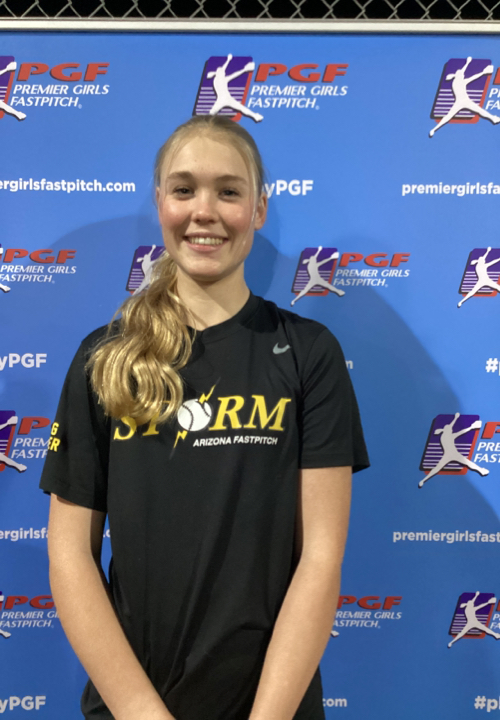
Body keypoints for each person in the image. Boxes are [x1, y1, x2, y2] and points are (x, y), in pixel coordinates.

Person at [40, 115, 369, 720]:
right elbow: (69, 558)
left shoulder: (308, 353)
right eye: (185, 189)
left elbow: (321, 559)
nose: (204, 211)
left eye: (229, 191)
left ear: (259, 208)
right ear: (160, 202)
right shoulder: (103, 358)